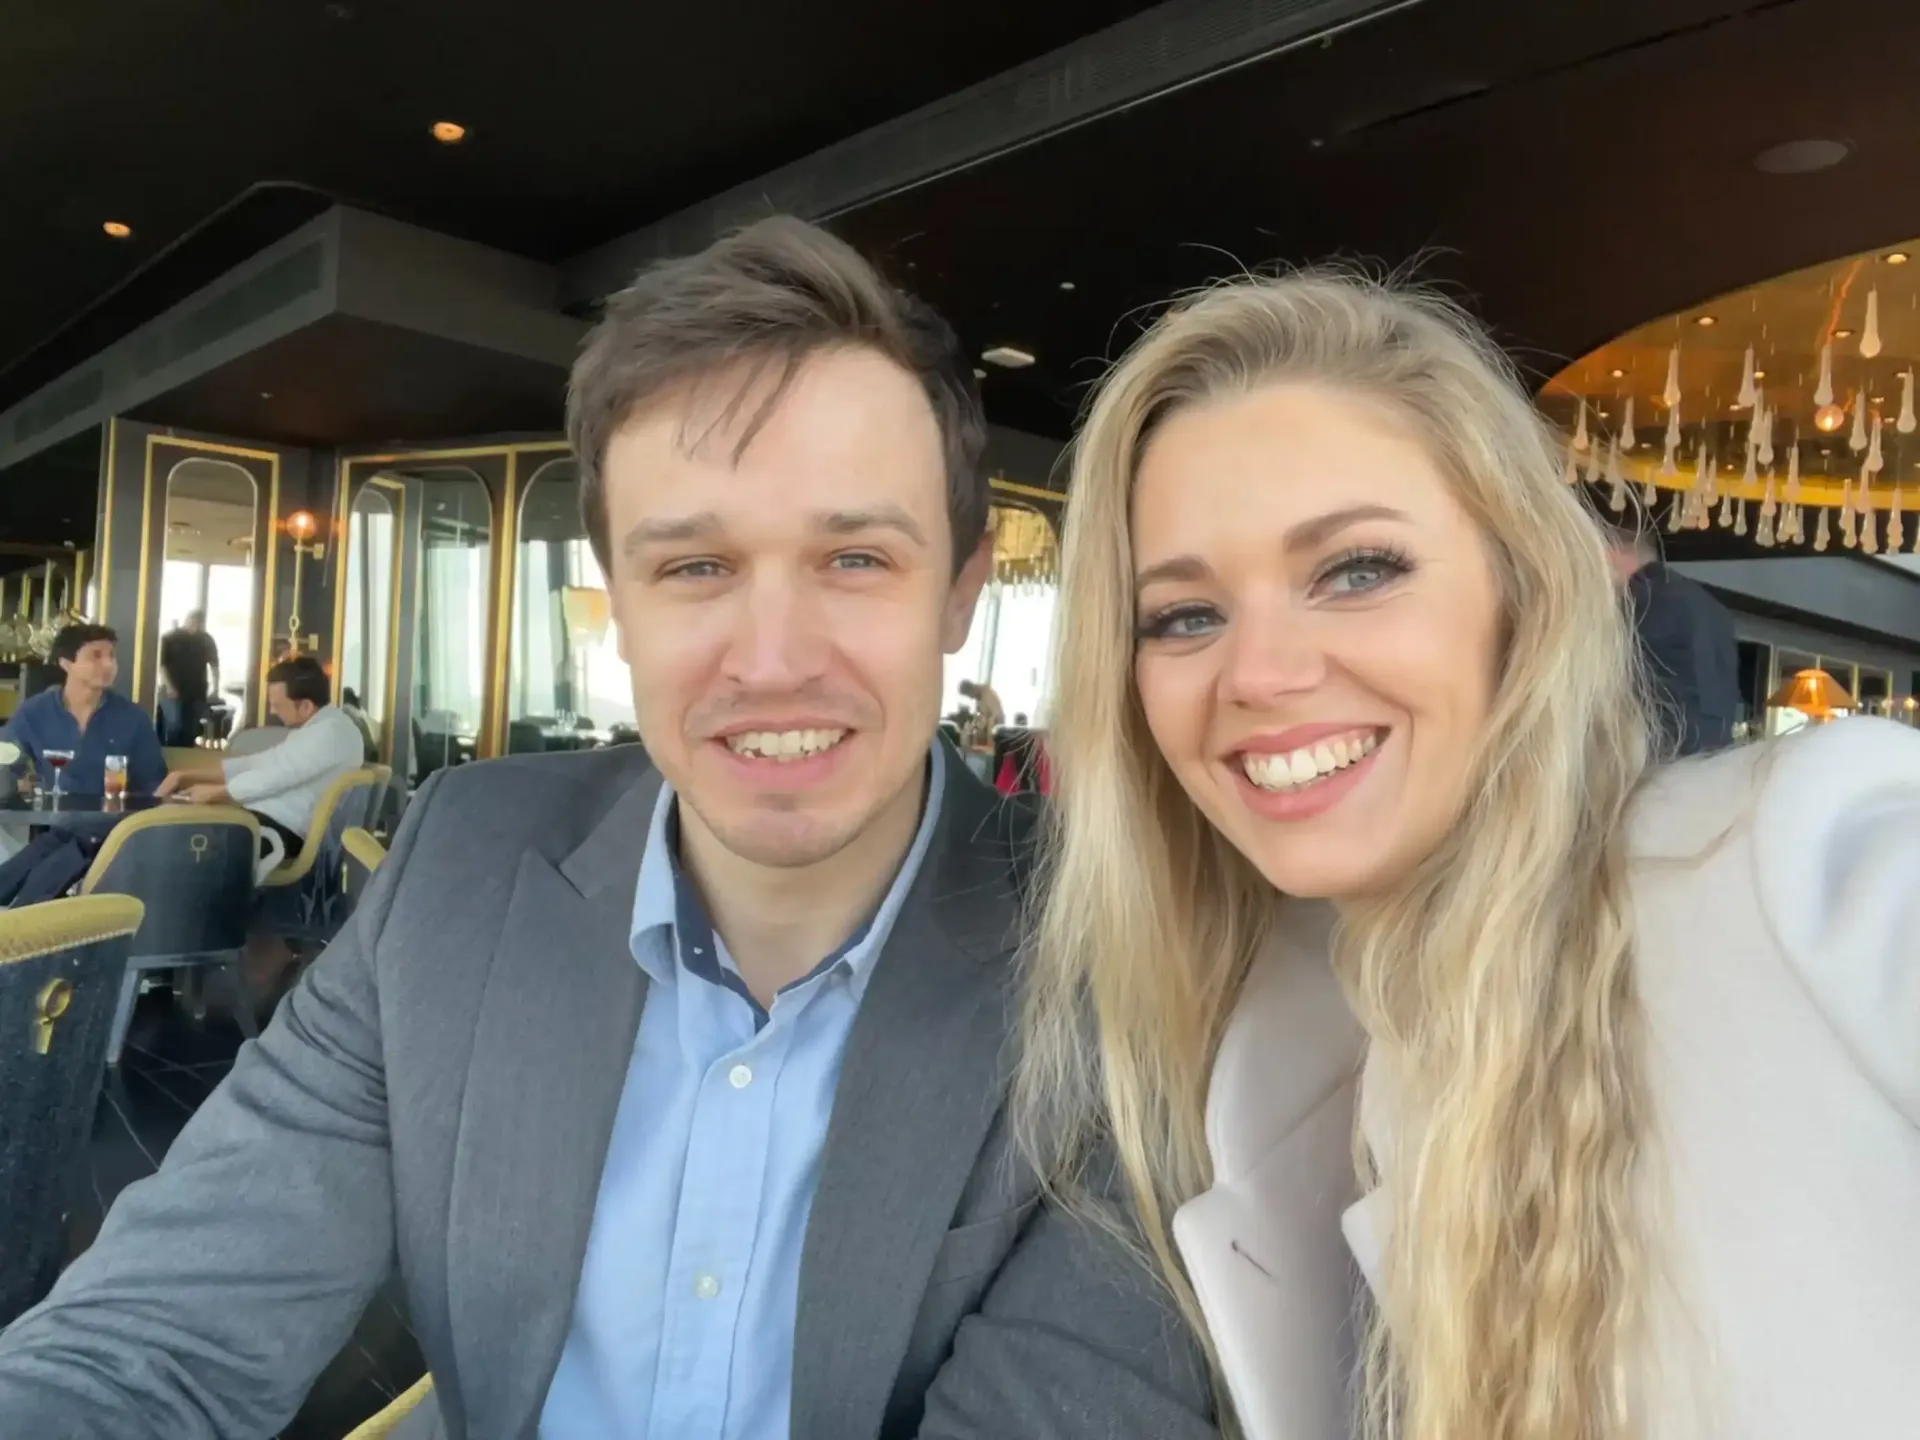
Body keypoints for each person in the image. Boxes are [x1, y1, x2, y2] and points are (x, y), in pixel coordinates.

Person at [0, 218, 1214, 1440]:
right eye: (694, 569)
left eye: (854, 557)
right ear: (618, 603)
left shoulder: (1123, 952)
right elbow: (149, 1342)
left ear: (959, 592)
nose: (774, 659)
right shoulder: (463, 866)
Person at [1017, 270, 1920, 1440]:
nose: (1258, 674)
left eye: (1356, 570)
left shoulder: (1809, 867)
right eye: (1185, 616)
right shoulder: (1246, 1064)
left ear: (1523, 589)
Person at [157, 655, 364, 853]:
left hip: (281, 832)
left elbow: (274, 776)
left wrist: (217, 792)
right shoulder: (322, 728)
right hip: (267, 822)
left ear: (306, 706)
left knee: (179, 837)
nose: (273, 712)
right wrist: (185, 776)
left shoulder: (331, 733)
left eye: (277, 705)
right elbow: (264, 762)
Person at [1603, 508, 1741, 755]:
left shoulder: (1636, 602)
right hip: (1716, 756)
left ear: (1612, 551)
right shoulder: (1713, 608)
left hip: (1662, 753)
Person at [1, 622, 165, 796]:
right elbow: (6, 757)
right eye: (96, 656)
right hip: (49, 820)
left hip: (116, 820)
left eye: (111, 656)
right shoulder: (34, 712)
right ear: (66, 663)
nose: (108, 664)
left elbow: (153, 783)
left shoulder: (133, 717)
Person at [158, 609, 220, 747]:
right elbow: (162, 665)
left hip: (197, 690)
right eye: (193, 622)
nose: (196, 627)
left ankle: (187, 756)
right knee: (174, 725)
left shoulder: (206, 640)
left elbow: (214, 665)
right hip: (172, 688)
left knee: (191, 728)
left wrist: (216, 688)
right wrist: (169, 686)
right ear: (187, 620)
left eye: (199, 624)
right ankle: (169, 754)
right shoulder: (170, 638)